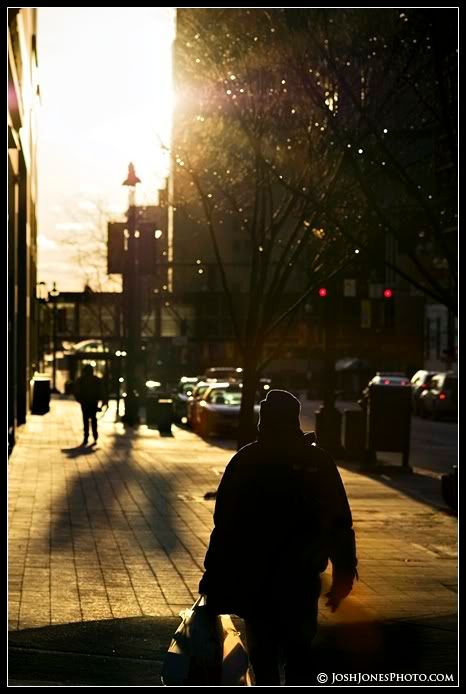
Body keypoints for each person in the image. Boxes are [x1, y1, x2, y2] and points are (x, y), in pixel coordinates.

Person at [198, 389, 358, 685]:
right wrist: (344, 571)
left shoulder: (246, 461)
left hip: (257, 581)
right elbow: (338, 521)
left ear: (264, 423)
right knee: (299, 653)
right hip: (301, 578)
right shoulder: (317, 462)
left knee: (263, 655)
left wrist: (213, 580)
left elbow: (225, 526)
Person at [74, 364, 107, 446]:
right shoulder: (96, 380)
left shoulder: (81, 380)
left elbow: (76, 391)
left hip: (85, 403)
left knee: (85, 419)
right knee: (93, 419)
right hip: (93, 402)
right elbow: (102, 391)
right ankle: (95, 435)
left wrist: (80, 400)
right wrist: (104, 402)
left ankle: (86, 437)